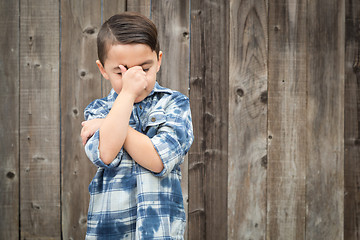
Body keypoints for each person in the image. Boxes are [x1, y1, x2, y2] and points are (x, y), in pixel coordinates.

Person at [80, 12, 194, 239]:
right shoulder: (98, 110)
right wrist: (127, 96)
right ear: (103, 69)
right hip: (111, 231)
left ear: (159, 61)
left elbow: (158, 160)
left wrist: (106, 124)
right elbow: (105, 154)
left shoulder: (175, 104)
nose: (135, 79)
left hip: (159, 232)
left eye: (144, 68)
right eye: (121, 71)